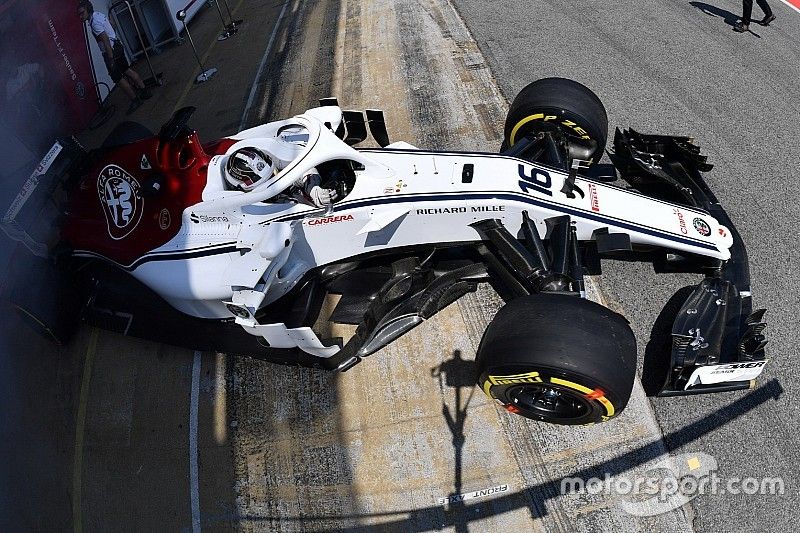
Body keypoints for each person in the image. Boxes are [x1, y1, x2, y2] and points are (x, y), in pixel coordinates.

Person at [77, 0, 152, 114]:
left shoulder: (94, 23)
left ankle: (135, 100)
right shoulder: (98, 15)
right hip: (117, 46)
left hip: (111, 52)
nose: (80, 16)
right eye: (79, 14)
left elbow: (105, 40)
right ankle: (145, 91)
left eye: (82, 13)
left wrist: (110, 59)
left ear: (88, 10)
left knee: (118, 79)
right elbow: (112, 24)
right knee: (127, 70)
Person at [224, 147, 338, 207]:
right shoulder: (256, 208)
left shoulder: (274, 168)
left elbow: (303, 168)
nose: (273, 180)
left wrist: (313, 189)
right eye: (266, 182)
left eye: (272, 174)